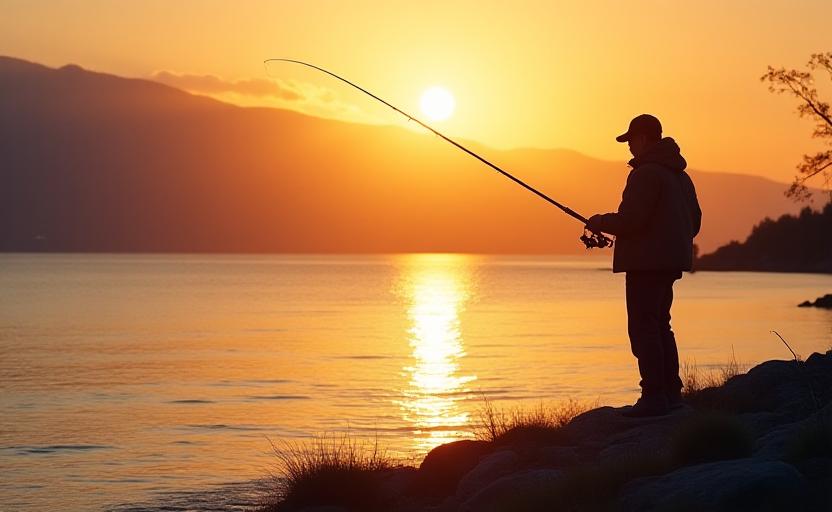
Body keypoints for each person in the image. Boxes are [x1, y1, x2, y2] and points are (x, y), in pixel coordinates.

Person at [586, 114, 701, 417]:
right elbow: (696, 222)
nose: (628, 148)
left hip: (646, 265)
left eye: (631, 141)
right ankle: (671, 395)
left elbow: (632, 221)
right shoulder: (680, 176)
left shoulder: (646, 174)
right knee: (661, 325)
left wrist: (600, 222)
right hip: (669, 264)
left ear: (644, 138)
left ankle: (653, 398)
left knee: (643, 329)